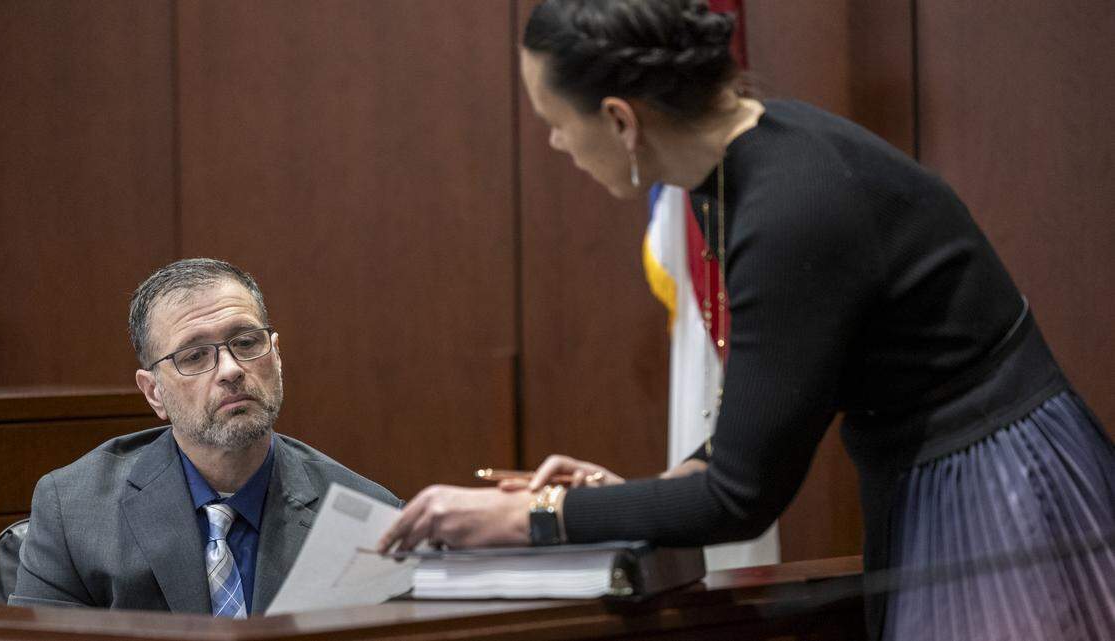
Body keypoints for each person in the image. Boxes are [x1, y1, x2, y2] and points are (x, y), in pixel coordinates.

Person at [380, 1, 1115, 639]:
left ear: (619, 118)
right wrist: (629, 493)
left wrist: (528, 517)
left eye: (555, 122)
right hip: (936, 469)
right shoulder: (734, 171)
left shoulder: (790, 206)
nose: (555, 144)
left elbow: (739, 497)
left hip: (1001, 488)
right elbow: (768, 413)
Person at [10, 258, 401, 616]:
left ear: (276, 356)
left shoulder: (370, 518)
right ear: (153, 392)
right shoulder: (74, 511)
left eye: (247, 342)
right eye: (195, 356)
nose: (230, 369)